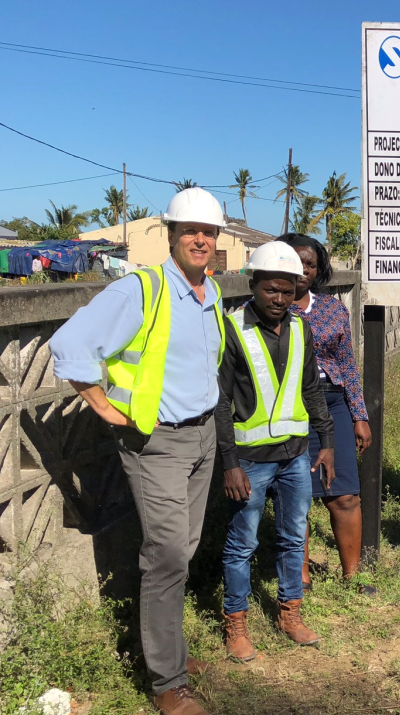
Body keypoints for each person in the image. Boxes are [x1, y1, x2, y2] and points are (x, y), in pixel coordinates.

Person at [49, 188, 228, 715]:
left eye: (209, 231)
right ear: (170, 235)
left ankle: (166, 650)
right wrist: (103, 407)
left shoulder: (210, 293)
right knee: (168, 553)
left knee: (182, 550)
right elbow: (70, 343)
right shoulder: (142, 289)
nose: (201, 238)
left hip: (201, 438)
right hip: (157, 441)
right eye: (190, 230)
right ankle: (167, 682)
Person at [218, 242, 336, 662]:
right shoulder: (232, 329)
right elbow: (220, 401)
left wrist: (326, 443)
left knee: (292, 537)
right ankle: (236, 623)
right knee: (241, 544)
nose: (280, 299)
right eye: (271, 290)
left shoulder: (301, 329)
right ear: (253, 285)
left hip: (295, 457)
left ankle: (290, 613)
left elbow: (311, 391)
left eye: (287, 291)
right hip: (250, 462)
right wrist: (229, 464)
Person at [276, 234, 374, 594]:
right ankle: (298, 577)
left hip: (332, 404)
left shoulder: (332, 309)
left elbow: (347, 365)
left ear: (319, 270)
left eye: (310, 264)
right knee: (294, 496)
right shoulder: (269, 308)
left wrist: (359, 415)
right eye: (295, 261)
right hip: (287, 407)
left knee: (344, 494)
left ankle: (353, 576)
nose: (302, 270)